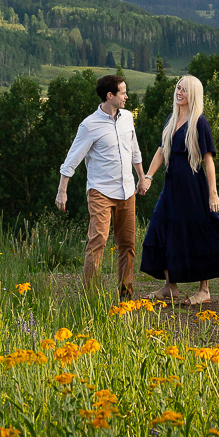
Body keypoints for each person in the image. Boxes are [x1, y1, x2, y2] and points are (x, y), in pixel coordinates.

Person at [139, 74, 219, 305]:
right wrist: (148, 176)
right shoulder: (172, 118)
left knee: (199, 233)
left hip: (193, 189)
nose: (179, 92)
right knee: (160, 229)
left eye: (185, 90)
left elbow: (208, 160)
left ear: (194, 94)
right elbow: (161, 151)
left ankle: (204, 290)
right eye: (178, 88)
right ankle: (170, 287)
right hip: (171, 189)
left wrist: (213, 193)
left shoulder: (199, 122)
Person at [55, 75, 144, 301]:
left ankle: (126, 296)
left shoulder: (128, 118)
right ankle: (91, 299)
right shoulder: (89, 125)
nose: (127, 96)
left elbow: (134, 150)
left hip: (127, 190)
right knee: (98, 242)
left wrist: (142, 177)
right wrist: (62, 190)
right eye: (123, 92)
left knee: (127, 245)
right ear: (109, 96)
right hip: (100, 192)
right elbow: (72, 159)